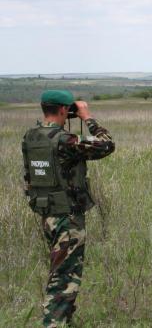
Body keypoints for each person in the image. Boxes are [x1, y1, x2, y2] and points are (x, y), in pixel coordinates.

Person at [22, 90, 115, 327]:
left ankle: (65, 320)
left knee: (62, 271)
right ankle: (53, 322)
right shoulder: (64, 141)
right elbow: (107, 144)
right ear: (64, 110)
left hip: (47, 215)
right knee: (63, 279)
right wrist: (87, 117)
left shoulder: (31, 137)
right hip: (67, 219)